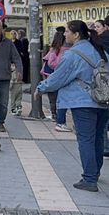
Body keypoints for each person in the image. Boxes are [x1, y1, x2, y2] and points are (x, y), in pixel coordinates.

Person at [37, 20, 109, 192]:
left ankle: (89, 179)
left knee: (85, 139)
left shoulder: (72, 54)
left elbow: (58, 78)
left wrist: (40, 88)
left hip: (83, 102)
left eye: (67, 31)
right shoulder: (102, 51)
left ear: (76, 34)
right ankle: (95, 173)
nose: (64, 34)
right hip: (103, 101)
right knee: (98, 138)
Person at [42, 30, 72, 131]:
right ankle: (60, 119)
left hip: (53, 76)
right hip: (65, 77)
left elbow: (51, 63)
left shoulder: (55, 49)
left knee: (53, 98)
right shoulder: (70, 49)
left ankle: (56, 116)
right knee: (62, 98)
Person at [94, 19, 109, 157]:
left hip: (104, 81)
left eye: (98, 26)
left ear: (106, 27)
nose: (96, 29)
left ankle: (106, 147)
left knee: (104, 117)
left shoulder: (99, 41)